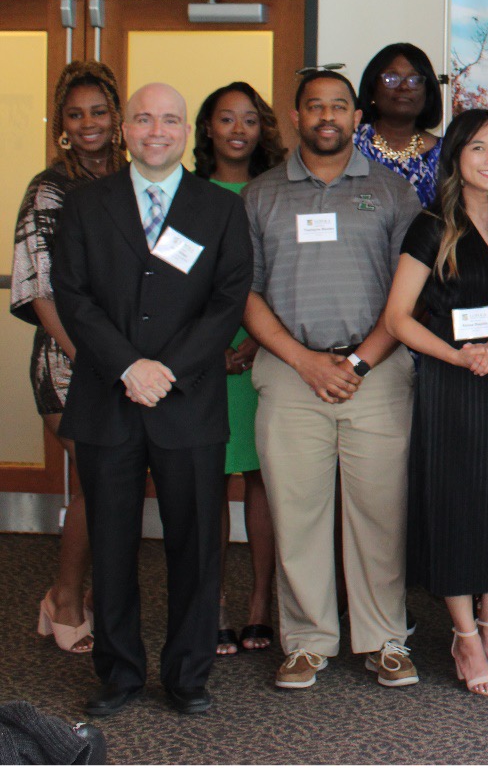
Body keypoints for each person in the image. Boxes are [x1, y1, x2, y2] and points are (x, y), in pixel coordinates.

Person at [53, 83, 253, 716]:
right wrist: (128, 367)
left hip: (187, 399)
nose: (156, 130)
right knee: (111, 544)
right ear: (126, 129)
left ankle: (188, 675)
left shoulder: (218, 208)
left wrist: (165, 368)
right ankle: (119, 673)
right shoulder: (85, 205)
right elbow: (72, 297)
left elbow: (228, 300)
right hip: (108, 399)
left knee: (196, 548)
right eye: (144, 119)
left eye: (169, 119)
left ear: (184, 129)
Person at [242, 69, 423, 691]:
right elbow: (246, 293)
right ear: (295, 116)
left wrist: (357, 362)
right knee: (298, 514)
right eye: (314, 106)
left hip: (375, 373)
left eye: (338, 106)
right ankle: (308, 640)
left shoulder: (395, 192)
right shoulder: (262, 194)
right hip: (293, 374)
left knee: (380, 513)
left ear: (357, 117)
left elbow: (412, 295)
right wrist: (305, 360)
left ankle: (384, 638)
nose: (327, 116)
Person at [385, 109, 488, 696]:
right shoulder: (431, 226)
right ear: (455, 157)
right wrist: (460, 356)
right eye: (478, 148)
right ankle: (464, 638)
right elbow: (398, 318)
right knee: (457, 506)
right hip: (452, 385)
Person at [12, 61, 126, 655]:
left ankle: (75, 597)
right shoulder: (49, 188)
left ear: (117, 116)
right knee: (100, 483)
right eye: (76, 114)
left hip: (127, 361)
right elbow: (38, 288)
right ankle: (64, 598)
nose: (89, 124)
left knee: (104, 482)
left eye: (99, 112)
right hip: (69, 364)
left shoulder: (137, 180)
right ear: (62, 124)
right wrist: (91, 355)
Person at [192, 82, 287, 656]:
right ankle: (215, 608)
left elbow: (285, 274)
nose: (237, 130)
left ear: (262, 129)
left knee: (261, 483)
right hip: (199, 355)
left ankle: (259, 609)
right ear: (207, 128)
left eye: (248, 120)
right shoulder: (187, 194)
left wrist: (253, 346)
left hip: (264, 349)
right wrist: (208, 348)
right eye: (225, 119)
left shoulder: (276, 192)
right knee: (207, 488)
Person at [355, 43, 443, 207]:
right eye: (391, 79)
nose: (403, 87)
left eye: (414, 80)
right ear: (372, 87)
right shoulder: (351, 145)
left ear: (428, 91)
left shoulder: (444, 153)